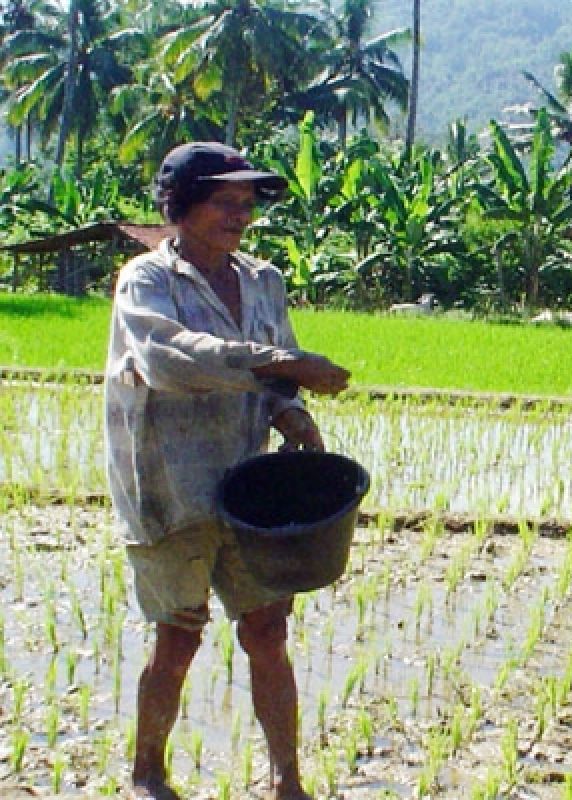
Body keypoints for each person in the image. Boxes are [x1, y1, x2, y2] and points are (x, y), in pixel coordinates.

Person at [104, 142, 351, 800]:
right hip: (169, 485)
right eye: (224, 201)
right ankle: (147, 772)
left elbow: (279, 381)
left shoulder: (263, 280)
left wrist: (294, 416)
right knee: (179, 636)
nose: (239, 215)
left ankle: (287, 780)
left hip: (249, 488)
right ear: (181, 206)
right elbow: (168, 358)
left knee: (268, 630)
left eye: (246, 205)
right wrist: (283, 364)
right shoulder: (146, 281)